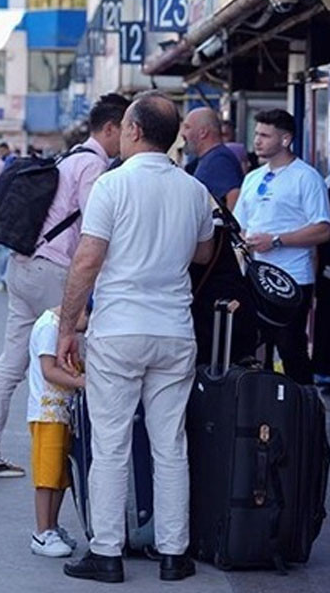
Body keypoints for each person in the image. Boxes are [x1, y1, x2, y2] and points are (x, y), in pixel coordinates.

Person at [55, 92, 215, 583]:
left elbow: (87, 259)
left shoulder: (112, 185)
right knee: (170, 443)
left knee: (110, 442)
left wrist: (66, 326)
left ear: (135, 131)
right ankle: (174, 552)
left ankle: (106, 552)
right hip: (173, 331)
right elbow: (205, 254)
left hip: (120, 329)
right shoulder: (192, 189)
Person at [0, 93, 127, 480]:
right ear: (111, 129)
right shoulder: (92, 166)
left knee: (11, 364)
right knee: (73, 358)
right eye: (127, 129)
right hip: (56, 273)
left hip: (23, 267)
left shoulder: (67, 157)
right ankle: (76, 460)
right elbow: (96, 228)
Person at [233, 109, 330, 385]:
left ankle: (304, 415)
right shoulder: (253, 178)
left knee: (291, 351)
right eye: (256, 134)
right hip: (254, 279)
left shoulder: (306, 178)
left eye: (265, 135)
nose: (258, 141)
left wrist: (276, 240)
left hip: (292, 279)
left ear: (286, 139)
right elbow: (241, 224)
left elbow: (323, 229)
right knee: (251, 351)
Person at [27, 307, 85, 558]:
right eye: (88, 319)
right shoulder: (50, 327)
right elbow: (48, 370)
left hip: (61, 413)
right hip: (46, 413)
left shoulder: (61, 328)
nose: (86, 328)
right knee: (47, 476)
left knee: (61, 476)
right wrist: (82, 382)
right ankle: (42, 531)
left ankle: (52, 525)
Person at [181, 107, 243, 209]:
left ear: (203, 132)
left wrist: (227, 223)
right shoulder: (206, 159)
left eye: (187, 127)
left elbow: (234, 194)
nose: (182, 134)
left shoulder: (219, 159)